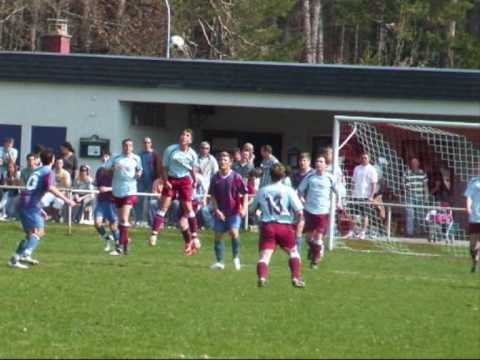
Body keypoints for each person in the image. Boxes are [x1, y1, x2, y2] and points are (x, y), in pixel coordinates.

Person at [8, 149, 76, 269]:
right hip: (30, 204)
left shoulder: (37, 170)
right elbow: (50, 188)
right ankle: (22, 255)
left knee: (30, 235)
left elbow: (35, 190)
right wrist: (67, 200)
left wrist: (40, 209)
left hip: (25, 202)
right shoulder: (48, 172)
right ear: (53, 160)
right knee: (40, 232)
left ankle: (19, 257)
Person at [251, 163, 305, 288]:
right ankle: (296, 277)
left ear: (270, 175)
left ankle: (262, 277)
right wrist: (296, 222)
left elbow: (252, 210)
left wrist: (258, 215)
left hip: (268, 226)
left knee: (265, 256)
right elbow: (299, 211)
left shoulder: (262, 190)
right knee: (293, 252)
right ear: (283, 176)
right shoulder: (288, 190)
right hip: (284, 225)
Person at [150, 129, 200, 256]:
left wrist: (194, 181)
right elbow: (164, 168)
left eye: (187, 135)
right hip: (171, 179)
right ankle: (154, 234)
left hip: (184, 180)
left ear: (190, 140)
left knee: (188, 208)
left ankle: (194, 237)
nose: (184, 137)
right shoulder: (170, 150)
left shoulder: (193, 154)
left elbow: (192, 169)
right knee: (164, 206)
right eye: (182, 134)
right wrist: (166, 181)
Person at [297, 155, 340, 269]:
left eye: (321, 161)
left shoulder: (330, 178)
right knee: (308, 238)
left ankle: (315, 260)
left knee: (318, 237)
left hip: (323, 211)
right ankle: (315, 249)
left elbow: (337, 191)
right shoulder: (310, 177)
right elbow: (300, 190)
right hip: (309, 210)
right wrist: (302, 200)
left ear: (326, 165)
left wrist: (338, 202)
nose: (319, 163)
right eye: (317, 161)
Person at [209, 151, 248, 270]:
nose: (222, 162)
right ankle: (220, 262)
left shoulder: (236, 177)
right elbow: (213, 196)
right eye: (221, 159)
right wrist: (217, 210)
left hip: (234, 211)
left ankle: (236, 258)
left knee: (233, 232)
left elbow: (245, 193)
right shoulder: (215, 177)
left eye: (225, 160)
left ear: (230, 163)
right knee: (218, 235)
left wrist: (244, 208)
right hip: (221, 211)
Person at [108, 138, 142, 255]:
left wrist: (138, 174)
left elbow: (140, 170)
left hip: (130, 190)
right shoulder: (116, 158)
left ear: (132, 147)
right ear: (122, 146)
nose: (127, 148)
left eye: (130, 146)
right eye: (125, 146)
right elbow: (106, 170)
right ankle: (126, 242)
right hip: (117, 190)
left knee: (124, 219)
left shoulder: (136, 158)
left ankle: (120, 246)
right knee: (121, 220)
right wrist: (113, 168)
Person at [93, 152, 120, 252]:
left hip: (112, 201)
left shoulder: (115, 172)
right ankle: (108, 240)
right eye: (103, 157)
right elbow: (98, 184)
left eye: (107, 157)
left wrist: (108, 189)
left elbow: (119, 187)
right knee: (97, 223)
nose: (105, 159)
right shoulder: (99, 170)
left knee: (113, 226)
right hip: (101, 201)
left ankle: (120, 246)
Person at [350, 151, 378, 239]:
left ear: (369, 159)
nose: (364, 159)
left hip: (366, 196)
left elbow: (374, 184)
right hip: (356, 195)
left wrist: (371, 195)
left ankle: (363, 232)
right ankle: (355, 231)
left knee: (365, 215)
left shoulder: (372, 169)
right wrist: (351, 192)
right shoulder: (357, 168)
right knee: (355, 215)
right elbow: (353, 182)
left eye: (365, 158)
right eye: (362, 157)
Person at [291, 152, 314, 252]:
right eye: (300, 160)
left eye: (304, 160)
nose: (302, 162)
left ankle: (314, 249)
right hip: (299, 204)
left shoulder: (313, 174)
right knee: (299, 227)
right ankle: (297, 253)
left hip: (312, 204)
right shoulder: (295, 174)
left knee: (310, 233)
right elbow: (294, 188)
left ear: (309, 162)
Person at [135, 137, 160, 226]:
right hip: (141, 182)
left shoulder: (155, 154)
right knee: (139, 201)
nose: (146, 144)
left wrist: (157, 180)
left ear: (151, 143)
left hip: (151, 182)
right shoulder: (139, 155)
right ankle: (138, 220)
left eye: (148, 142)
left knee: (151, 202)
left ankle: (151, 221)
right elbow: (137, 168)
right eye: (145, 142)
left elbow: (158, 167)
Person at [403, 157, 429, 237]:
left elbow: (425, 186)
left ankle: (419, 232)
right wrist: (407, 194)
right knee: (410, 214)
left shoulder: (422, 173)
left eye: (415, 163)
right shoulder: (407, 173)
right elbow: (405, 186)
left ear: (418, 164)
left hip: (420, 196)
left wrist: (426, 196)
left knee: (419, 215)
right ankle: (409, 232)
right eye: (412, 163)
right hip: (410, 196)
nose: (414, 164)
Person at [465, 174, 480, 273]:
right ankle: (475, 262)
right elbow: (469, 196)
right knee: (472, 246)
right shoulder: (473, 181)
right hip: (474, 218)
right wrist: (468, 207)